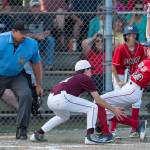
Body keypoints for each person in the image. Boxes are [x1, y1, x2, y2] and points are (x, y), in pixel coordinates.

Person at [30, 60, 125, 144]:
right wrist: (114, 109)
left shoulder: (74, 79)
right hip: (62, 98)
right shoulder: (85, 78)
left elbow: (75, 100)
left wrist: (85, 111)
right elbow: (98, 100)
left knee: (63, 116)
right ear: (85, 70)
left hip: (51, 100)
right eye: (90, 69)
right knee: (93, 107)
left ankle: (38, 134)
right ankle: (90, 136)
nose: (91, 71)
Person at [0, 21, 43, 140]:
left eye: (26, 33)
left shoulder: (32, 44)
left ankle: (22, 130)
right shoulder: (1, 40)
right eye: (21, 33)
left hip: (15, 75)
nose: (24, 36)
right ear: (13, 31)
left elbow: (36, 64)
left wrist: (38, 84)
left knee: (26, 94)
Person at [109, 25, 145, 137]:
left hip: (133, 76)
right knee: (118, 102)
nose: (132, 36)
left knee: (137, 101)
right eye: (129, 34)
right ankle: (113, 130)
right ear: (125, 36)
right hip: (119, 75)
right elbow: (113, 67)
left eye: (133, 34)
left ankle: (134, 130)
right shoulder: (120, 48)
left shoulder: (141, 48)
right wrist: (118, 81)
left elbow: (143, 64)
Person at [26, 0, 56, 69]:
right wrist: (36, 36)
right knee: (28, 41)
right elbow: (25, 33)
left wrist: (41, 35)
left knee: (51, 40)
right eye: (34, 7)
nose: (36, 9)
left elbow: (48, 31)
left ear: (40, 7)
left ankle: (49, 65)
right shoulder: (26, 16)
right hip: (31, 42)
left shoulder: (45, 16)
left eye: (37, 7)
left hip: (43, 41)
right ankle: (32, 65)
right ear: (30, 8)